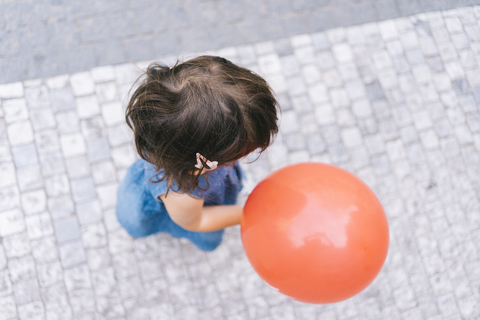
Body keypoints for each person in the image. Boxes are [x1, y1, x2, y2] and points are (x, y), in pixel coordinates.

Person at [116, 55, 279, 251]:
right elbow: (196, 221)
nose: (241, 158)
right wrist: (247, 213)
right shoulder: (180, 194)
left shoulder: (192, 141)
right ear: (204, 159)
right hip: (187, 213)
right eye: (239, 154)